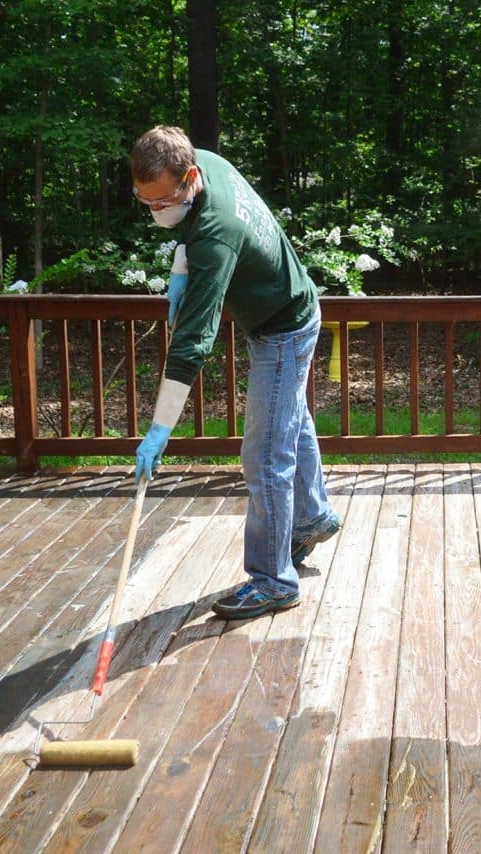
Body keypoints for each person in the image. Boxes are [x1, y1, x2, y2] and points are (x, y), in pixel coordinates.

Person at [130, 125, 339, 620]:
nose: (157, 211)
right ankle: (312, 517)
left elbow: (191, 346)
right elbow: (188, 228)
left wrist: (160, 430)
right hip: (289, 307)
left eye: (163, 201)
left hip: (283, 328)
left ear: (190, 177)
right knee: (290, 422)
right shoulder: (202, 162)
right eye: (146, 203)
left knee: (264, 455)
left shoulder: (215, 234)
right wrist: (181, 273)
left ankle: (272, 581)